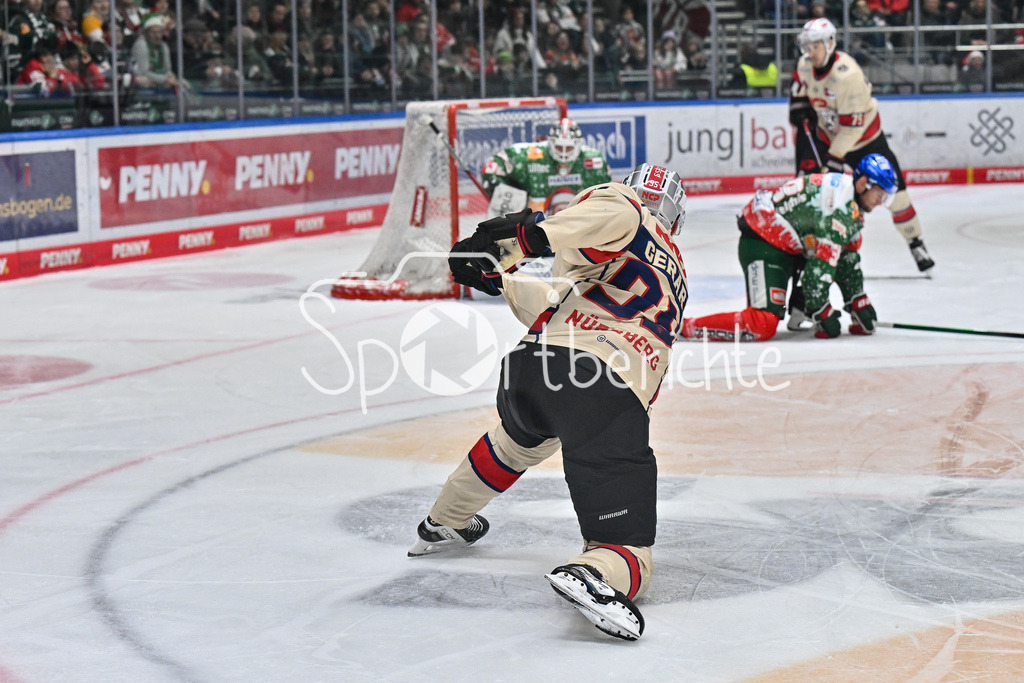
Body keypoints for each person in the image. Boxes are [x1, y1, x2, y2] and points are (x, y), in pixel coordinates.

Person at [409, 162, 690, 642]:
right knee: (628, 548)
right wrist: (526, 237)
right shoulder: (665, 258)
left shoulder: (615, 219)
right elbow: (610, 212)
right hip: (604, 383)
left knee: (515, 443)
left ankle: (444, 521)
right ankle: (594, 571)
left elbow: (557, 300)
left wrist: (504, 270)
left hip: (529, 369)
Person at [678, 155, 897, 342]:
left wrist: (857, 300)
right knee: (761, 324)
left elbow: (846, 258)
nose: (880, 202)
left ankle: (799, 307)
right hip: (763, 243)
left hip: (790, 246)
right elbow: (818, 273)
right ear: (863, 183)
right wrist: (822, 311)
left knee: (835, 253)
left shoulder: (849, 200)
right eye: (880, 195)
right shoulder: (840, 210)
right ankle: (685, 327)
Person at [789, 18, 935, 274]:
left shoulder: (848, 76)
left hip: (865, 141)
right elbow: (801, 89)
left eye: (816, 46)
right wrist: (799, 106)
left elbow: (852, 128)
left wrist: (835, 157)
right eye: (807, 47)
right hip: (827, 137)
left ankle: (915, 242)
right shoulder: (804, 65)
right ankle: (808, 247)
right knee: (811, 190)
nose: (810, 52)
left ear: (830, 44)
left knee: (895, 193)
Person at [480, 118, 612, 218]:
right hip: (531, 216)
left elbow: (607, 196)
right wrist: (506, 194)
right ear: (550, 143)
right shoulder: (528, 155)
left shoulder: (594, 161)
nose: (563, 153)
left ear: (578, 144)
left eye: (569, 148)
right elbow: (491, 168)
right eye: (559, 147)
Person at [130, 12, 176, 88]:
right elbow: (144, 72)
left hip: (161, 80)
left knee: (184, 84)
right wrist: (165, 79)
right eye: (153, 32)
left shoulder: (163, 46)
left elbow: (167, 69)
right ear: (146, 33)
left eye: (160, 32)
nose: (157, 36)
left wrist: (171, 77)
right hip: (142, 81)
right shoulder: (141, 45)